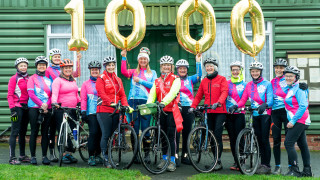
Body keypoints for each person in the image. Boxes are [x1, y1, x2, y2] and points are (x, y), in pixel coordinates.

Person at [229, 61, 273, 174]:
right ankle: (260, 163)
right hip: (255, 114)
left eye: (257, 71)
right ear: (250, 72)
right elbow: (243, 99)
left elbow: (271, 100)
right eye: (253, 71)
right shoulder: (249, 85)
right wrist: (236, 105)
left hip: (265, 115)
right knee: (258, 139)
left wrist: (266, 105)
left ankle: (266, 164)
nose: (255, 73)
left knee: (264, 139)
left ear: (260, 72)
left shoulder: (267, 84)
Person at [189, 57, 228, 171]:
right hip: (209, 112)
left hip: (220, 111)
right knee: (210, 136)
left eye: (211, 66)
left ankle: (218, 161)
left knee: (217, 135)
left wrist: (219, 102)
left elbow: (224, 92)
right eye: (207, 66)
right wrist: (193, 106)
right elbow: (199, 95)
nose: (209, 68)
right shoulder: (204, 81)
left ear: (215, 67)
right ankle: (214, 161)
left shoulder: (222, 79)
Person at [120, 47, 157, 163]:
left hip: (146, 102)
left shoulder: (153, 72)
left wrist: (140, 81)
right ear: (138, 60)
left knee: (146, 128)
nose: (143, 61)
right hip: (133, 101)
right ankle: (135, 154)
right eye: (141, 59)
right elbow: (123, 71)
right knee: (134, 129)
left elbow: (154, 86)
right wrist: (123, 57)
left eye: (145, 59)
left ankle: (146, 154)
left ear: (148, 60)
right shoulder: (133, 71)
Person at [96, 56, 133, 168]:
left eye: (112, 65)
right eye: (109, 65)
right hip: (104, 110)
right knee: (106, 134)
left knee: (113, 135)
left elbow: (122, 94)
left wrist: (126, 105)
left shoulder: (118, 79)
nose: (111, 67)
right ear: (105, 66)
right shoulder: (100, 78)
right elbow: (102, 94)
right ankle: (105, 158)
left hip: (116, 110)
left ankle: (110, 157)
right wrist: (111, 102)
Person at [46, 48, 82, 162]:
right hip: (61, 109)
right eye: (65, 68)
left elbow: (76, 94)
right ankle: (62, 154)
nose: (68, 69)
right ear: (62, 69)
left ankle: (69, 153)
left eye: (69, 68)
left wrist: (80, 102)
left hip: (72, 109)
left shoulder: (73, 81)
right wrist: (54, 103)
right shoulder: (58, 80)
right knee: (62, 132)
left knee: (73, 131)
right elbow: (54, 94)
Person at [147, 55, 181, 172]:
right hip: (160, 112)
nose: (166, 67)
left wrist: (163, 102)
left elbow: (173, 93)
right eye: (164, 65)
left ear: (171, 67)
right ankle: (164, 158)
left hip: (171, 111)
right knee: (162, 136)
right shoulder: (157, 80)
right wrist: (148, 106)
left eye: (168, 65)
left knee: (171, 137)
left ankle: (172, 160)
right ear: (161, 67)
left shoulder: (176, 79)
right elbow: (152, 94)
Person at [283, 66, 313, 177]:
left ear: (296, 77)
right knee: (303, 145)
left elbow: (303, 105)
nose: (288, 78)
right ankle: (307, 171)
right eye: (286, 76)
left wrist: (293, 121)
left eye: (291, 76)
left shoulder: (299, 88)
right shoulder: (291, 88)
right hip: (300, 120)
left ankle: (294, 170)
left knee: (288, 143)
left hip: (299, 120)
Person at [175, 54, 202, 165]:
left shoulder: (191, 79)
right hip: (177, 107)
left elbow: (199, 75)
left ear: (187, 70)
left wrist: (198, 61)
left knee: (187, 133)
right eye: (180, 68)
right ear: (177, 69)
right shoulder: (174, 79)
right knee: (176, 133)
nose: (182, 70)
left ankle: (185, 156)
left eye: (184, 68)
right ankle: (175, 156)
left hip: (189, 109)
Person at [27, 56, 52, 165]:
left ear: (46, 66)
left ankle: (44, 156)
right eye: (40, 64)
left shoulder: (49, 80)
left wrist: (47, 105)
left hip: (47, 109)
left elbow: (52, 94)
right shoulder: (32, 78)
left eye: (44, 65)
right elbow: (31, 94)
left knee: (45, 133)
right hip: (34, 108)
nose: (42, 66)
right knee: (34, 132)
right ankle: (33, 156)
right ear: (36, 66)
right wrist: (41, 104)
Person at [7, 57, 30, 165]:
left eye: (25, 65)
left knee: (23, 132)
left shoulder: (29, 78)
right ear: (17, 67)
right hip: (17, 107)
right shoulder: (14, 78)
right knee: (15, 132)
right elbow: (10, 95)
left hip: (26, 108)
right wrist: (12, 109)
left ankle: (22, 155)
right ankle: (12, 158)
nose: (23, 67)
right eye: (21, 65)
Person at [225, 61, 246, 171]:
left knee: (240, 138)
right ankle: (236, 160)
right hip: (229, 115)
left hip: (239, 114)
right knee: (232, 139)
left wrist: (236, 106)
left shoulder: (245, 84)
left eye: (237, 69)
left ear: (241, 70)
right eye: (233, 70)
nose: (235, 71)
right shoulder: (227, 83)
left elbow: (244, 99)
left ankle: (242, 160)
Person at [81, 61, 103, 166]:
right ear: (90, 71)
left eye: (97, 69)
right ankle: (91, 156)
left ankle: (98, 154)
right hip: (92, 112)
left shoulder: (103, 82)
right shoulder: (86, 84)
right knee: (94, 133)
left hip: (103, 111)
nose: (95, 71)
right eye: (93, 69)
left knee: (101, 134)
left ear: (99, 71)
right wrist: (83, 111)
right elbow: (84, 99)